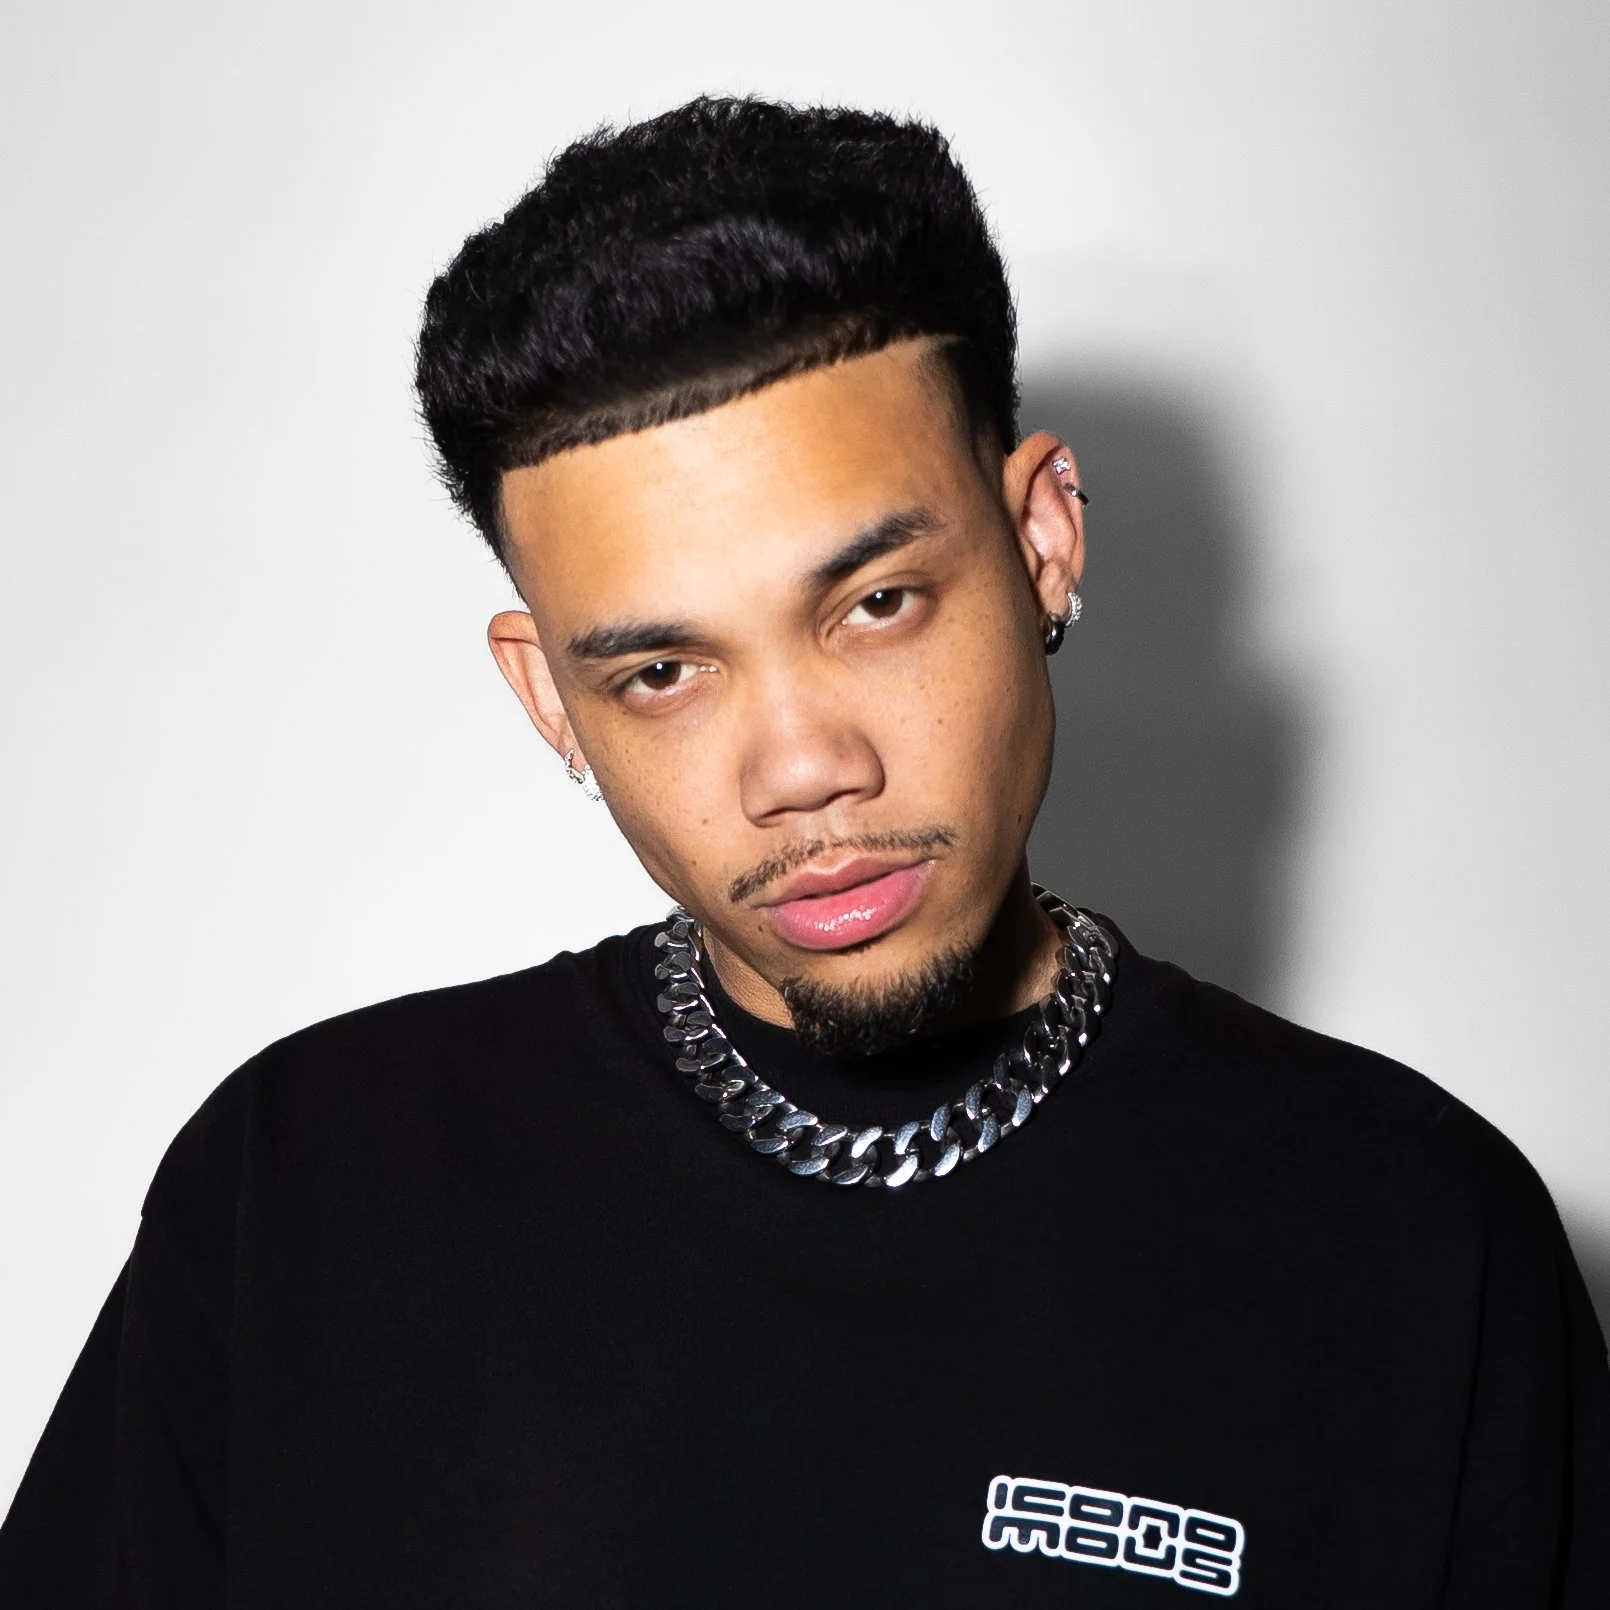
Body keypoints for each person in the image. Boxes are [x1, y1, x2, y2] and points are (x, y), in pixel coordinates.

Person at [1, 95, 1605, 1608]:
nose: (799, 770)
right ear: (550, 697)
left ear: (1042, 538)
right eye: (660, 670)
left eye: (875, 603)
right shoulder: (302, 1192)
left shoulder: (1413, 1236)